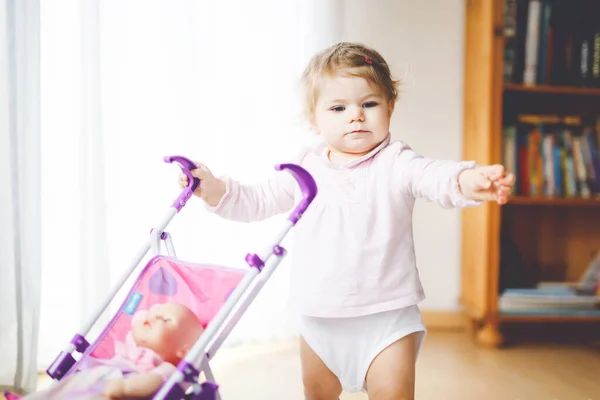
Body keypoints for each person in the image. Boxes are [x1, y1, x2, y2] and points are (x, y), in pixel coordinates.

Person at [178, 42, 514, 400]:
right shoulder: (304, 169)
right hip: (321, 316)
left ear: (390, 107)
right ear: (314, 118)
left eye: (368, 104)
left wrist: (469, 181)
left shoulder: (396, 162)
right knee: (318, 392)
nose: (356, 115)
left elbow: (434, 176)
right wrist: (212, 189)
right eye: (338, 107)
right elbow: (255, 200)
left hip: (387, 317)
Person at [19, 302, 204, 400]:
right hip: (93, 378)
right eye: (153, 314)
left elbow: (154, 381)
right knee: (63, 388)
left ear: (183, 352)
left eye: (166, 320)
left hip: (115, 389)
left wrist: (126, 387)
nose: (154, 316)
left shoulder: (167, 368)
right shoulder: (127, 350)